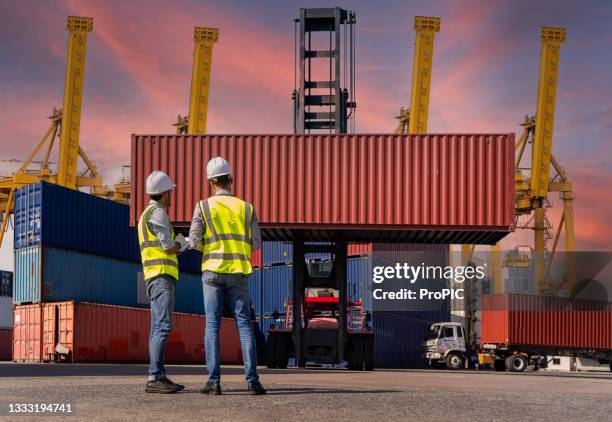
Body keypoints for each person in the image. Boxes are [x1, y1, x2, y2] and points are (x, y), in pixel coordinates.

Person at [189, 157, 266, 395]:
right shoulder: (247, 208)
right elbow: (256, 244)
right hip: (239, 273)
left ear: (210, 182)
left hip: (212, 271)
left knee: (212, 325)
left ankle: (214, 382)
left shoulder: (202, 207)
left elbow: (193, 241)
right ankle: (252, 381)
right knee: (244, 325)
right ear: (231, 179)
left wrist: (210, 248)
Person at [138, 170, 185, 394]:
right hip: (161, 276)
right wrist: (182, 242)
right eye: (170, 191)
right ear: (165, 193)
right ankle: (155, 377)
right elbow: (168, 247)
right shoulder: (157, 213)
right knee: (163, 326)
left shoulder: (147, 214)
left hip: (155, 275)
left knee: (157, 326)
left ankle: (158, 375)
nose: (171, 195)